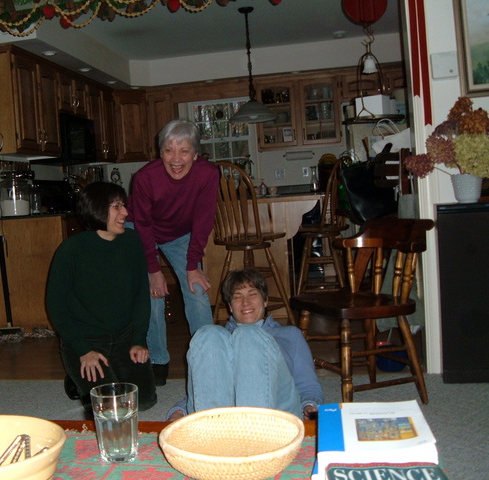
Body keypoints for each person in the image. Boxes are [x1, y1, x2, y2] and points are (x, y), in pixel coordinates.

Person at [46, 182, 157, 412]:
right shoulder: (71, 251)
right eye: (117, 206)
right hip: (86, 341)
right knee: (111, 406)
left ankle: (95, 377)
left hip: (124, 337)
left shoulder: (132, 241)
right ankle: (76, 377)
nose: (125, 212)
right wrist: (82, 350)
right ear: (97, 209)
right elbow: (56, 306)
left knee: (144, 401)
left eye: (123, 205)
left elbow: (140, 296)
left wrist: (138, 339)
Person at [127, 119, 220, 385]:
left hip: (180, 235)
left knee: (197, 290)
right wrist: (153, 270)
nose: (176, 159)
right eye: (169, 150)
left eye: (184, 151)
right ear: (160, 153)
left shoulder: (208, 174)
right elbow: (143, 224)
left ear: (195, 154)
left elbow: (203, 220)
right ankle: (157, 360)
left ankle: (208, 358)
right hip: (142, 229)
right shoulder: (145, 178)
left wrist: (192, 266)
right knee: (153, 293)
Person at [167, 268, 323, 421]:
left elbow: (308, 386)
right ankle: (213, 433)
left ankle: (255, 432)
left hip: (277, 414)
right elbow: (205, 386)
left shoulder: (290, 334)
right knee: (207, 333)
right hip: (225, 417)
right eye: (237, 297)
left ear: (266, 300)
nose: (245, 302)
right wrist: (180, 410)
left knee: (248, 334)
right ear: (230, 306)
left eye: (253, 294)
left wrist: (309, 405)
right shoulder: (218, 341)